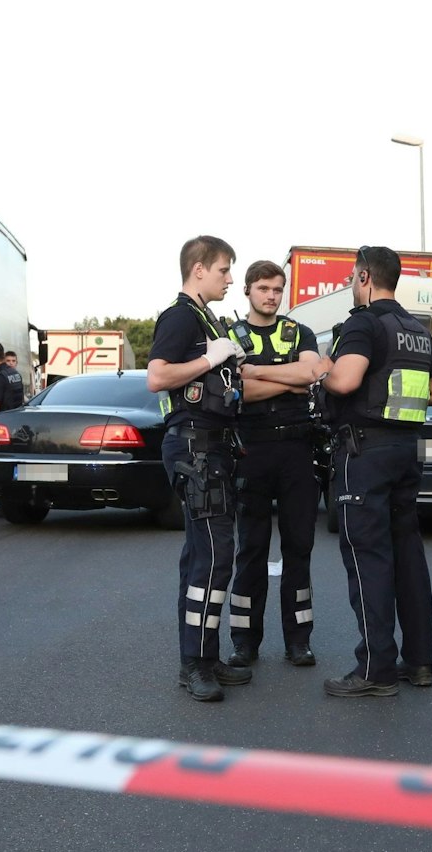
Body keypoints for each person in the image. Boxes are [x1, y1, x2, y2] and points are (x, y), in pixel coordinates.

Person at [320, 246, 432, 699]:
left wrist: (322, 370)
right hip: (404, 452)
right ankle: (419, 663)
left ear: (366, 277)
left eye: (354, 277)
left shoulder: (364, 322)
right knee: (408, 557)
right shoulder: (415, 329)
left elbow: (347, 381)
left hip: (364, 454)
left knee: (368, 558)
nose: (353, 285)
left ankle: (375, 669)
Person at [149, 237, 250, 700]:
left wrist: (232, 361)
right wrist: (212, 357)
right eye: (225, 269)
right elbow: (157, 376)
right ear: (198, 269)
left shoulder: (208, 317)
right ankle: (195, 664)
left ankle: (204, 655)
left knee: (202, 557)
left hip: (212, 449)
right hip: (195, 450)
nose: (231, 278)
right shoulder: (181, 316)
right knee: (214, 557)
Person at [228, 260, 328, 669]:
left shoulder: (298, 331)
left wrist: (258, 372)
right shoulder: (231, 335)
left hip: (297, 451)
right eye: (263, 288)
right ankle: (244, 642)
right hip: (251, 450)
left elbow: (311, 375)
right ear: (248, 291)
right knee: (250, 550)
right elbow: (237, 389)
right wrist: (284, 377)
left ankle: (298, 640)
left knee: (299, 548)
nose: (271, 296)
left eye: (277, 289)